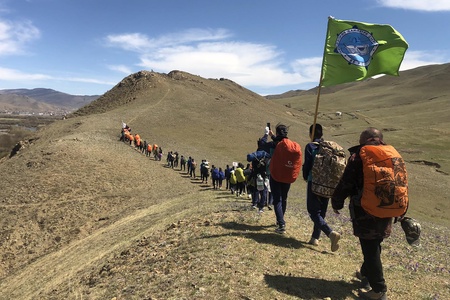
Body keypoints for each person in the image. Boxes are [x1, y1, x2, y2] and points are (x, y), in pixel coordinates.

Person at [332, 127, 392, 300]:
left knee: (370, 248)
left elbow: (346, 182)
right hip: (387, 209)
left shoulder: (360, 156)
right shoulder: (391, 155)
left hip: (365, 211)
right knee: (375, 244)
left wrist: (337, 201)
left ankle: (379, 290)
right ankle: (366, 275)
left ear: (366, 139)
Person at [302, 124, 340, 251]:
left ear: (311, 134)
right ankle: (315, 238)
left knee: (313, 212)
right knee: (321, 212)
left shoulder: (310, 146)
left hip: (314, 182)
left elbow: (307, 165)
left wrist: (305, 176)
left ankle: (330, 233)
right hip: (328, 184)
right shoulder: (328, 148)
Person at [259, 123, 299, 234]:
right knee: (284, 198)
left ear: (277, 133)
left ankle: (281, 224)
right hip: (287, 175)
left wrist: (266, 134)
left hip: (276, 174)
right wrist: (273, 136)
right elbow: (279, 141)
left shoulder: (273, 144)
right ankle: (280, 219)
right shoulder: (290, 145)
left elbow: (261, 145)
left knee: (277, 199)